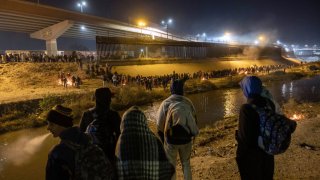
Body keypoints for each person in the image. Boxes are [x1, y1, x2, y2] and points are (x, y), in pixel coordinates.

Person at [46, 105, 114, 180]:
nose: (48, 127)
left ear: (62, 124)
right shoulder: (89, 140)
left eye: (52, 124)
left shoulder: (57, 153)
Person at [116, 106, 175, 179]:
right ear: (143, 121)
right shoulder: (154, 140)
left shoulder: (119, 144)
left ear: (124, 122)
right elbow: (168, 169)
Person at [156, 79, 199, 180]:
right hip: (186, 140)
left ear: (171, 90)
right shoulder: (188, 102)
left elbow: (159, 125)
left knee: (172, 166)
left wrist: (164, 139)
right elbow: (194, 120)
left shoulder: (165, 103)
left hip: (171, 141)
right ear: (182, 90)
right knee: (186, 164)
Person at [236, 76, 275, 180]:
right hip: (268, 155)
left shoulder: (246, 108)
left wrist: (237, 136)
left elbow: (245, 139)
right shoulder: (269, 104)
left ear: (247, 88)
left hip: (252, 158)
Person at [79, 87, 121, 165]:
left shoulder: (87, 114)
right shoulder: (113, 115)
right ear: (107, 100)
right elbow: (120, 135)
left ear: (96, 99)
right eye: (109, 98)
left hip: (90, 157)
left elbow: (80, 136)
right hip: (109, 155)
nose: (110, 100)